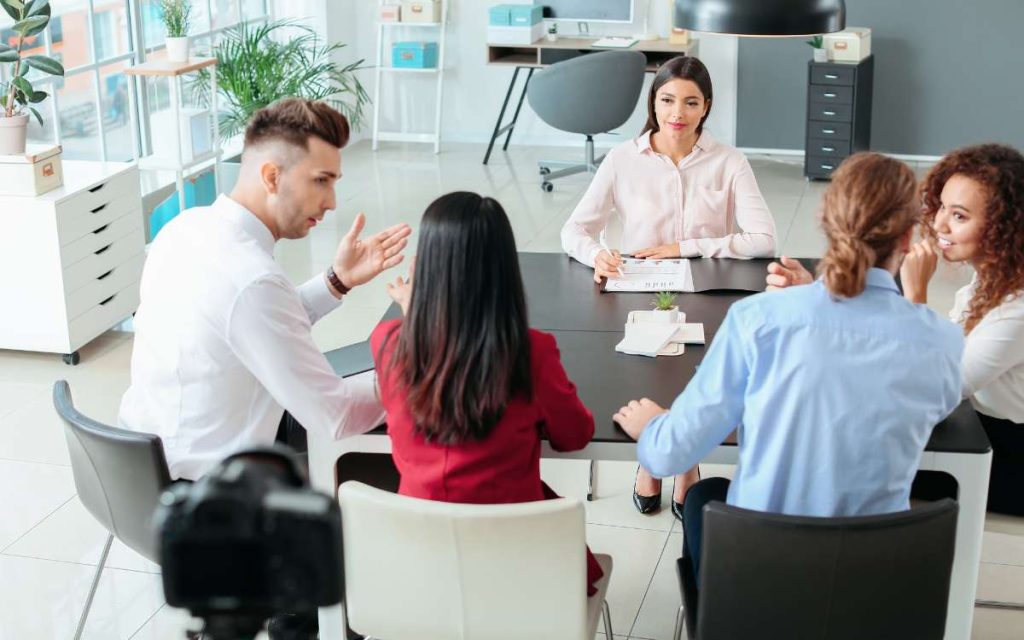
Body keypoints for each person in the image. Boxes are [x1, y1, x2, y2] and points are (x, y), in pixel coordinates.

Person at [614, 153, 963, 586]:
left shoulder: (759, 318)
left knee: (704, 493)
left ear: (826, 221)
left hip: (762, 581)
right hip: (875, 589)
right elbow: (929, 406)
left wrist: (653, 427)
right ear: (910, 238)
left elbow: (670, 455)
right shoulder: (942, 342)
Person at [118, 98, 411, 482]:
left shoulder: (182, 229)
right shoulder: (252, 278)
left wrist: (336, 280)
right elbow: (335, 416)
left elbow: (250, 325)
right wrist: (419, 373)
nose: (331, 202)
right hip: (207, 496)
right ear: (272, 177)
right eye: (321, 180)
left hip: (134, 469)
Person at [560, 55, 777, 518]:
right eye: (667, 100)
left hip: (707, 288)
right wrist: (597, 254)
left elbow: (764, 239)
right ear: (654, 103)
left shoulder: (728, 161)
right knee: (647, 370)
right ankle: (655, 457)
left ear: (706, 107)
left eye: (690, 102)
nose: (677, 112)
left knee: (696, 373)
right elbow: (573, 231)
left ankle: (682, 461)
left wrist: (686, 246)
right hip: (638, 288)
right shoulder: (622, 159)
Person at [768, 144, 1024, 516]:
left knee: (850, 453)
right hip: (972, 420)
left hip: (1006, 453)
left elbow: (924, 387)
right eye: (941, 208)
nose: (939, 225)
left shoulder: (1015, 309)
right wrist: (815, 296)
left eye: (960, 216)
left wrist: (915, 292)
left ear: (1004, 226)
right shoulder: (990, 279)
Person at [371, 191, 604, 595]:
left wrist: (417, 313)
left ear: (424, 268)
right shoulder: (530, 353)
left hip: (419, 574)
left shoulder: (389, 344)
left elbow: (435, 358)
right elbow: (575, 435)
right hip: (519, 575)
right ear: (505, 272)